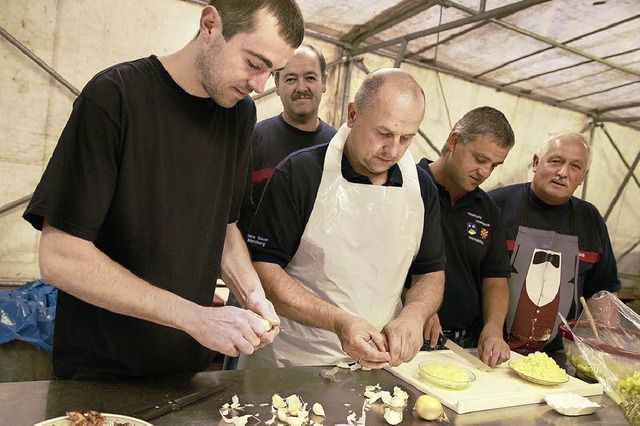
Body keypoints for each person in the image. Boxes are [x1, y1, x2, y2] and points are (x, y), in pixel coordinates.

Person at [22, 0, 305, 379]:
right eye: (254, 63)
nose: (258, 85)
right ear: (209, 23)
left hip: (185, 369)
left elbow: (224, 226)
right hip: (101, 373)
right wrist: (195, 317)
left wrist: (252, 293)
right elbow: (61, 257)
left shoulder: (240, 115)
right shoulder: (115, 96)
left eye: (272, 71)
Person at [239, 68, 446, 369]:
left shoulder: (422, 187)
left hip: (379, 364)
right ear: (352, 114)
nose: (393, 150)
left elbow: (430, 272)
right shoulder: (300, 174)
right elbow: (264, 269)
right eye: (384, 133)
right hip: (294, 360)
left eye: (406, 138)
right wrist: (339, 321)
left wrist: (414, 316)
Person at [488, 132, 622, 355]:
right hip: (488, 347)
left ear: (583, 177)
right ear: (535, 162)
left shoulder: (590, 219)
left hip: (556, 355)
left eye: (575, 167)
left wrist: (608, 348)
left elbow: (603, 292)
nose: (563, 173)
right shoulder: (496, 205)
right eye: (556, 161)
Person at [418, 107, 515, 368]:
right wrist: (418, 307)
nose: (485, 172)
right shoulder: (408, 185)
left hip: (462, 346)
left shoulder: (489, 210)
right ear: (454, 142)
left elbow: (495, 280)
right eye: (480, 159)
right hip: (406, 333)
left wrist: (493, 329)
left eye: (494, 165)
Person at [238, 43, 337, 235]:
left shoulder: (338, 147)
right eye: (291, 79)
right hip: (253, 261)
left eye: (310, 77)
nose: (302, 87)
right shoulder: (252, 141)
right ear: (277, 85)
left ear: (324, 82)